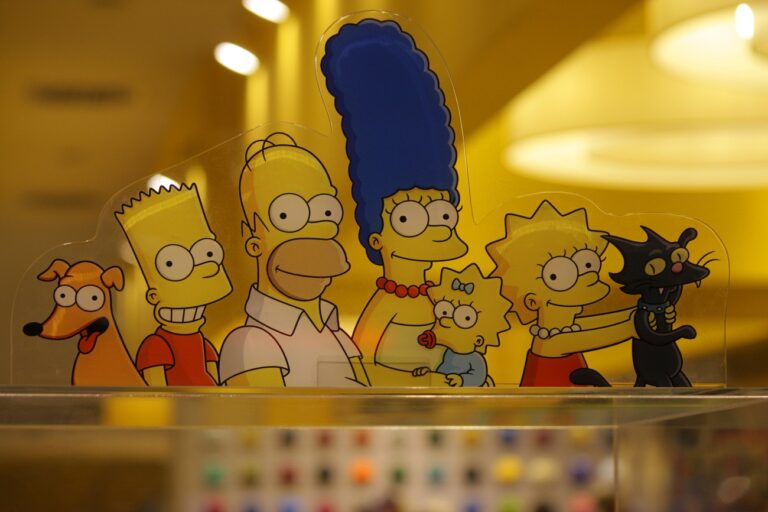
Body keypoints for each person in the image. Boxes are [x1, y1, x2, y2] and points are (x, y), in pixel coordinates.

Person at [322, 19, 468, 385]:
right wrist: (424, 383)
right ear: (377, 238)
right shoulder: (386, 306)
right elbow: (363, 368)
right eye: (409, 218)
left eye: (442, 213)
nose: (435, 227)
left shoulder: (438, 299)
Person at [218, 133, 368, 387]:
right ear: (252, 239)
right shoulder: (251, 344)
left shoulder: (336, 334)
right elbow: (265, 412)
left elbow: (364, 403)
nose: (314, 237)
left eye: (326, 211)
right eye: (286, 215)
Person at [115, 184, 232, 386]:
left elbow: (215, 384)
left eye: (208, 254)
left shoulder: (203, 344)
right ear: (153, 295)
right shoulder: (157, 345)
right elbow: (157, 390)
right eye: (172, 263)